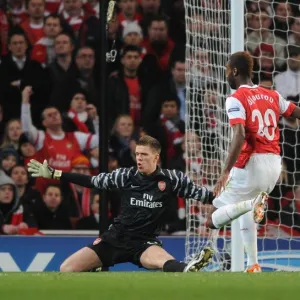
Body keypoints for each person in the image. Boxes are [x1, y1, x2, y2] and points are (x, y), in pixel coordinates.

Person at [28, 135, 215, 272]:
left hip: (144, 243)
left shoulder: (173, 179)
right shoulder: (125, 176)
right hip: (115, 238)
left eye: (144, 155)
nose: (139, 159)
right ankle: (98, 271)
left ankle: (189, 268)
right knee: (66, 269)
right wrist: (56, 174)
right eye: (137, 154)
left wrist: (227, 197)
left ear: (156, 157)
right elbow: (93, 181)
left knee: (166, 262)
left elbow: (203, 195)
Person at [205, 51, 300, 273]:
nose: (227, 74)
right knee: (245, 211)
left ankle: (252, 204)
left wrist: (225, 171)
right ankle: (253, 264)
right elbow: (295, 111)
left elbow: (238, 134)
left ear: (235, 71)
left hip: (251, 163)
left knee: (211, 219)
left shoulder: (235, 98)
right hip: (275, 165)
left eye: (228, 69)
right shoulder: (272, 95)